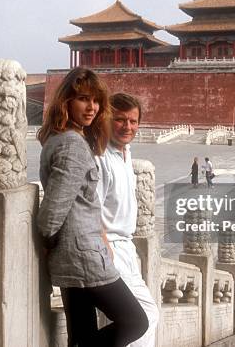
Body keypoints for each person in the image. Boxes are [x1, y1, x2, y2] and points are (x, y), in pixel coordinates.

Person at [36, 68, 148, 347]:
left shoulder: (58, 138)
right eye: (84, 99)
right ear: (66, 101)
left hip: (71, 253)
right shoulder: (73, 144)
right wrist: (50, 241)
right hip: (84, 254)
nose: (92, 107)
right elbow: (52, 213)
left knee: (82, 336)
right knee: (136, 321)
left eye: (96, 100)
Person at [96, 93, 159, 347]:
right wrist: (104, 247)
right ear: (107, 120)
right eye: (120, 120)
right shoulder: (101, 158)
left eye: (133, 121)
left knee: (131, 320)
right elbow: (91, 207)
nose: (127, 126)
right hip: (109, 248)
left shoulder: (126, 153)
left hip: (127, 248)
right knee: (144, 316)